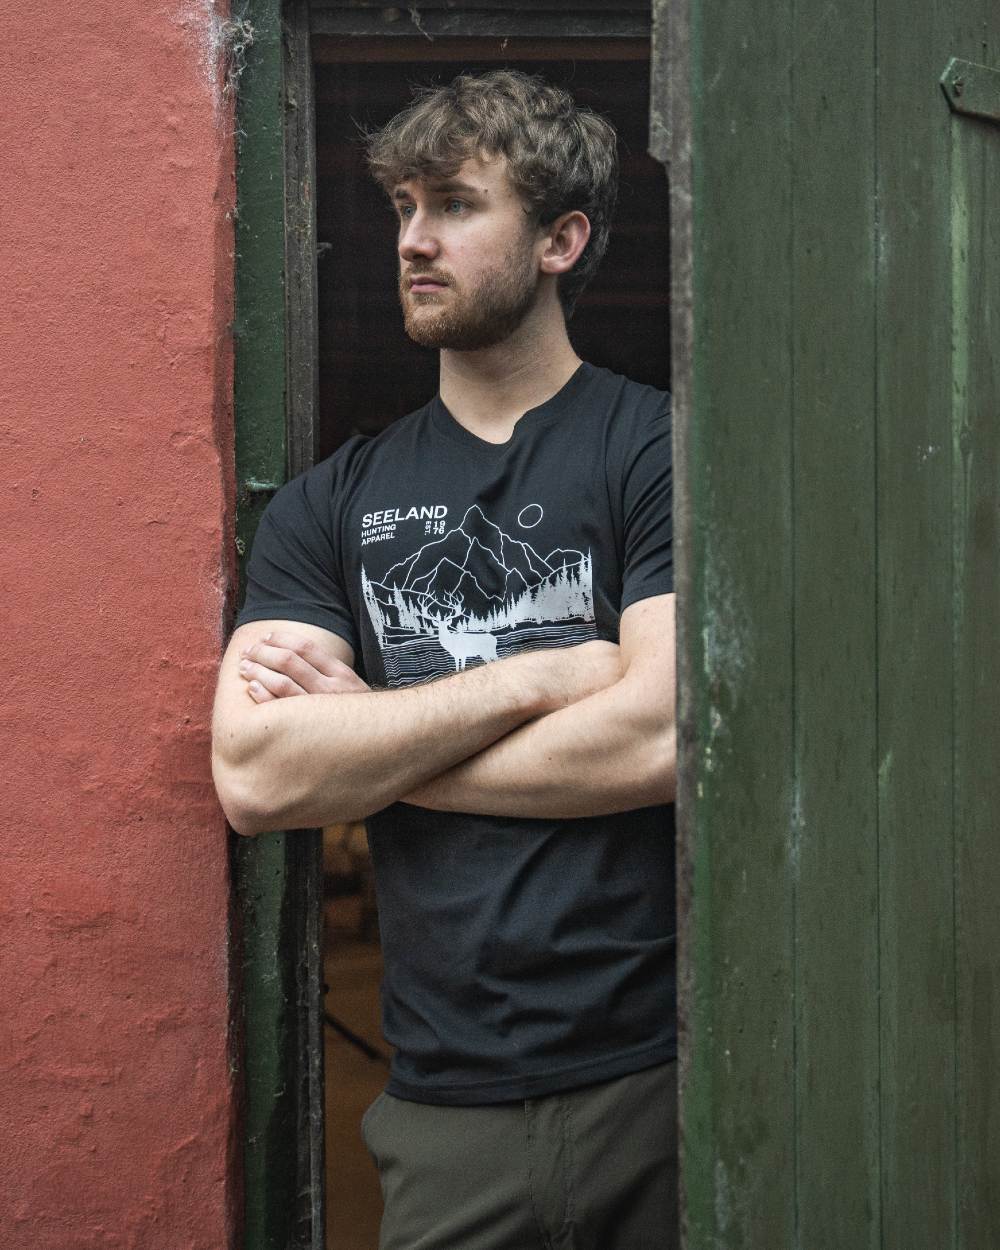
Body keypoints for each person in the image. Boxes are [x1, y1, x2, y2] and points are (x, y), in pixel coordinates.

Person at [212, 69, 678, 1250]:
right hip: (445, 1098)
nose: (414, 240)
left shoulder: (657, 451)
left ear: (562, 238)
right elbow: (261, 775)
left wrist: (371, 740)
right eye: (404, 208)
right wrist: (543, 674)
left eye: (457, 205)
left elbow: (665, 733)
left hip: (665, 1075)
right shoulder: (331, 502)